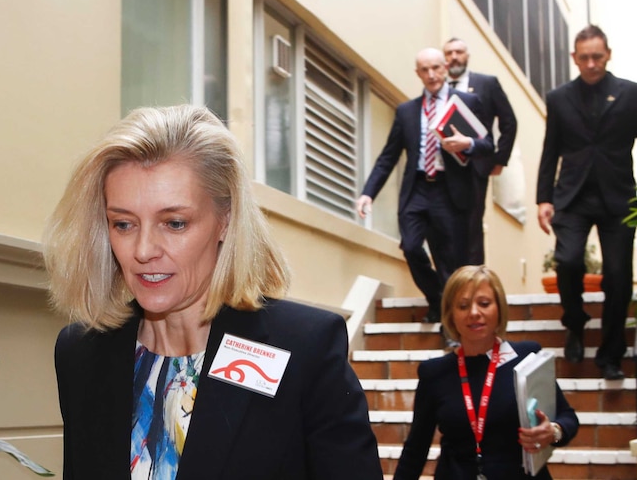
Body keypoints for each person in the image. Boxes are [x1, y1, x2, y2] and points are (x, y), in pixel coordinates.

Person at [44, 105, 383, 480]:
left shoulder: (304, 348)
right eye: (123, 224)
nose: (143, 250)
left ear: (226, 220)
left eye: (174, 223)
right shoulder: (81, 352)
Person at [536, 25, 637, 380]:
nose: (591, 64)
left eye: (597, 56)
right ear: (574, 58)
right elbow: (550, 150)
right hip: (572, 195)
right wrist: (543, 199)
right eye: (583, 57)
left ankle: (610, 355)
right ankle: (575, 321)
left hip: (617, 195)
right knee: (567, 261)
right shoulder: (558, 98)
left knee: (617, 275)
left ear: (608, 54)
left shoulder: (631, 94)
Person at [393, 265, 579, 480]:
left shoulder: (527, 357)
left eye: (484, 304)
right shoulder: (434, 373)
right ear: (451, 315)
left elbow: (568, 417)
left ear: (499, 309)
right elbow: (416, 448)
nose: (474, 313)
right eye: (463, 306)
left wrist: (554, 431)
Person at [356, 48, 495, 323]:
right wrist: (367, 193)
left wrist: (466, 143)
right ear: (417, 73)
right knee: (410, 246)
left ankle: (448, 320)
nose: (431, 75)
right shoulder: (407, 111)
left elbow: (488, 145)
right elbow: (388, 156)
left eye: (435, 68)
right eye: (424, 70)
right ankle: (438, 298)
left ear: (445, 68)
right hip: (417, 189)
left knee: (448, 260)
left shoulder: (467, 101)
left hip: (449, 190)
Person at [443, 37, 518, 265]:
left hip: (476, 166)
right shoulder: (438, 88)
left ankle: (474, 280)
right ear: (444, 59)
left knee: (473, 225)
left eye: (459, 51)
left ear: (467, 55)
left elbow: (509, 122)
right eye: (449, 53)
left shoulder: (487, 83)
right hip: (445, 167)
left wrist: (499, 159)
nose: (454, 57)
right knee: (445, 226)